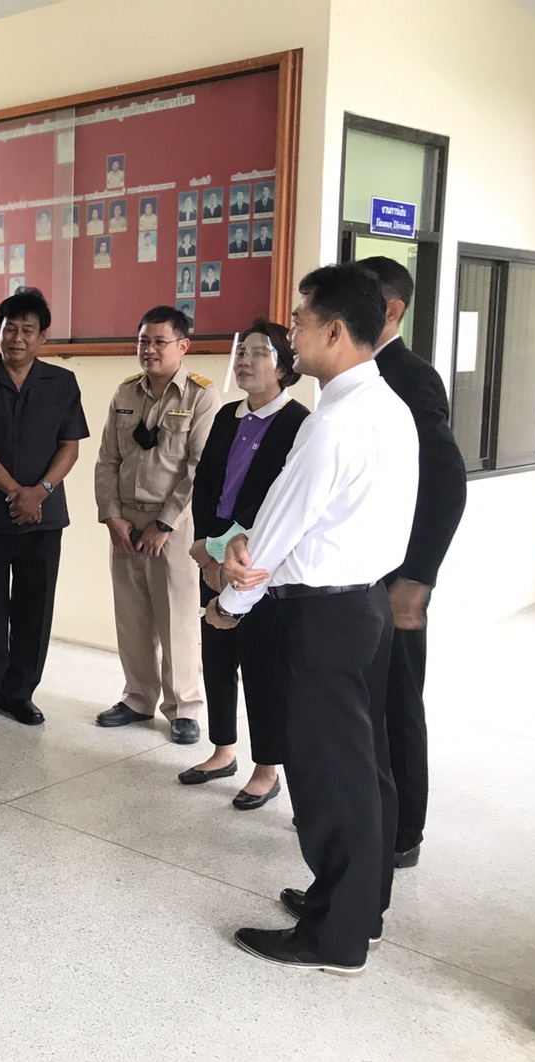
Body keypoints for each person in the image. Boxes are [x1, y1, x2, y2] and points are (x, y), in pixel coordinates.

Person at [208, 262, 417, 974]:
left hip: (322, 616)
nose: (291, 333)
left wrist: (228, 604)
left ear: (334, 330)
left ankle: (335, 937)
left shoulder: (331, 424)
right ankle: (359, 907)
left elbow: (274, 533)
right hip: (366, 605)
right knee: (365, 768)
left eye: (298, 321)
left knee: (331, 776)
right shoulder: (387, 407)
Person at [357, 255, 468, 869]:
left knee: (398, 702)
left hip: (396, 577)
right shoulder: (362, 370)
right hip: (361, 568)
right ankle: (370, 815)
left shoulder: (410, 376)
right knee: (366, 700)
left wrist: (417, 579)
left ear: (392, 310)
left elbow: (447, 482)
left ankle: (403, 834)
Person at [182, 321, 308, 809]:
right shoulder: (227, 416)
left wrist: (223, 552)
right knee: (217, 655)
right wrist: (204, 546)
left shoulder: (298, 423)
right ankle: (223, 750)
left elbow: (275, 503)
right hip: (213, 554)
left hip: (259, 564)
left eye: (260, 352)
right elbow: (205, 484)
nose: (245, 360)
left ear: (284, 366)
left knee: (261, 665)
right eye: (242, 351)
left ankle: (267, 768)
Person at [0, 287, 87, 727]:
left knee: (35, 605)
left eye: (28, 330)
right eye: (10, 328)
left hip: (44, 516)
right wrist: (16, 492)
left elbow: (70, 446)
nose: (17, 338)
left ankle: (20, 692)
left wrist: (40, 492)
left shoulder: (61, 382)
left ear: (43, 336)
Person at [94, 306, 219, 741]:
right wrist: (111, 515)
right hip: (125, 521)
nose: (149, 350)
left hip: (174, 525)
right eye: (143, 341)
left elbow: (199, 469)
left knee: (177, 617)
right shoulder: (125, 393)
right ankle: (137, 698)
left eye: (159, 342)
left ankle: (184, 706)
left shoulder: (200, 396)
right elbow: (107, 459)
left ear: (182, 346)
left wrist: (163, 525)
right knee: (132, 616)